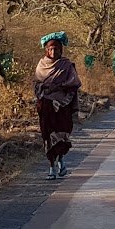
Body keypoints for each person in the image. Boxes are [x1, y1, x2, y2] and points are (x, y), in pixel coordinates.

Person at [34, 32, 81, 180]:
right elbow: (36, 85)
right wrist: (44, 89)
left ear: (61, 50)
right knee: (48, 135)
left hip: (62, 106)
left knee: (62, 134)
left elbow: (74, 84)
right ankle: (51, 166)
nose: (54, 52)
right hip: (46, 106)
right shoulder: (41, 65)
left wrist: (59, 87)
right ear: (46, 50)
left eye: (57, 49)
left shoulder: (66, 65)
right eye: (51, 49)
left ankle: (61, 160)